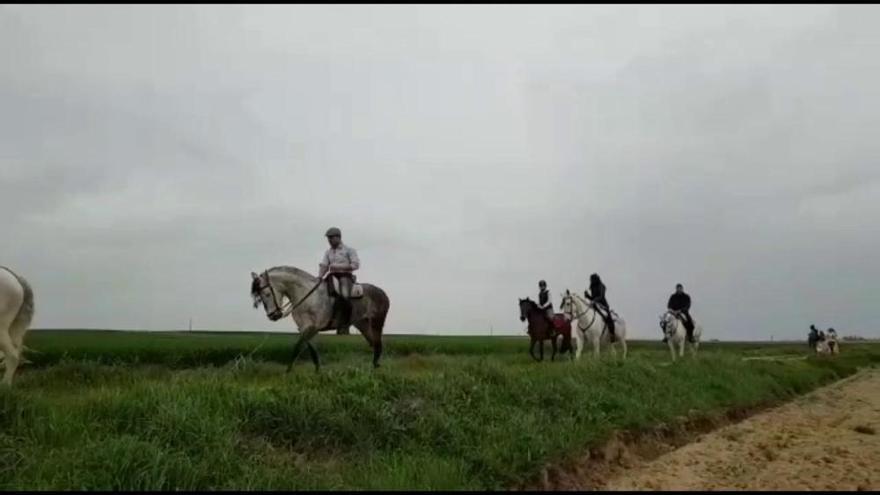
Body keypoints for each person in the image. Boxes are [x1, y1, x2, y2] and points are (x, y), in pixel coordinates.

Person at [318, 227, 360, 335]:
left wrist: (338, 266)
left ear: (338, 237)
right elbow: (324, 265)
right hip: (332, 276)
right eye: (328, 238)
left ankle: (345, 323)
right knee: (321, 294)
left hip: (345, 276)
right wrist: (319, 276)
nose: (329, 240)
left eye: (331, 238)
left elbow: (355, 265)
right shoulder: (328, 252)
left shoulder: (349, 250)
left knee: (345, 297)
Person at [584, 273, 615, 341]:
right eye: (590, 280)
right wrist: (587, 296)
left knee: (608, 317)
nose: (591, 281)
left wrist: (594, 300)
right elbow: (593, 298)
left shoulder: (602, 286)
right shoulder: (592, 286)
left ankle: (612, 334)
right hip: (595, 305)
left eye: (592, 280)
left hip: (603, 305)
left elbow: (601, 296)